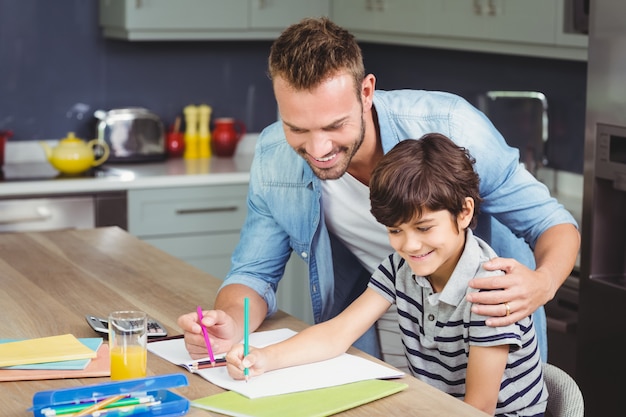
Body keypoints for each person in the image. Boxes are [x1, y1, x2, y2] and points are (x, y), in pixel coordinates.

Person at [178, 17, 580, 365]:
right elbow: (253, 273)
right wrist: (229, 322)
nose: (317, 150)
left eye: (335, 126)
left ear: (366, 92)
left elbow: (552, 223)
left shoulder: (451, 127)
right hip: (377, 328)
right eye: (297, 128)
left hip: (483, 330)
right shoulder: (272, 158)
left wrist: (541, 284)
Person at [225, 135, 548, 416]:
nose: (409, 245)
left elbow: (478, 409)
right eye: (395, 230)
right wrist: (263, 358)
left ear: (463, 213)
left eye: (424, 228)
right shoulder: (400, 268)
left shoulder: (491, 291)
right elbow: (337, 333)